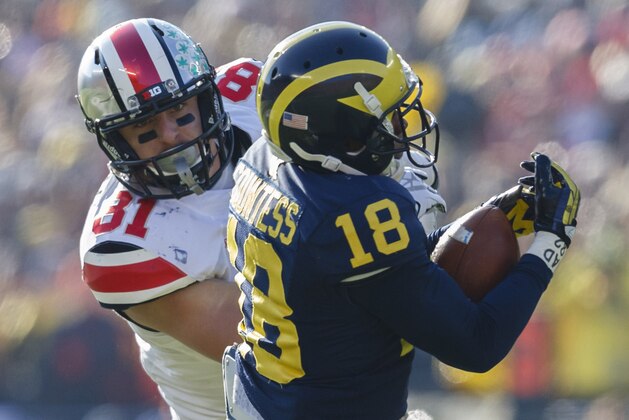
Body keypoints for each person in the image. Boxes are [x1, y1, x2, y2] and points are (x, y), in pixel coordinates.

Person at [222, 21, 580, 419]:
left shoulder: (263, 163)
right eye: (389, 119)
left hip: (267, 399)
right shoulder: (356, 211)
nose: (402, 129)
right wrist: (551, 243)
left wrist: (498, 214)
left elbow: (374, 268)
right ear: (342, 132)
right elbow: (476, 345)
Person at [76, 18, 264, 419]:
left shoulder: (255, 92)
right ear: (116, 141)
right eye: (144, 126)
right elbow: (277, 350)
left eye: (179, 110)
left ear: (206, 97)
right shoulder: (121, 244)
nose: (171, 135)